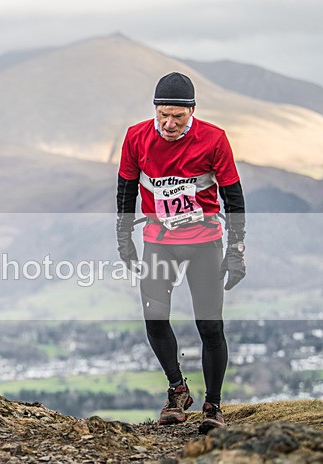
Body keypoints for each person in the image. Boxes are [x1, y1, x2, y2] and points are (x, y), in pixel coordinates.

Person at [115, 72, 246, 434]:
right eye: (163, 115)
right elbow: (125, 191)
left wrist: (236, 250)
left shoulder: (215, 139)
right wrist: (124, 240)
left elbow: (233, 198)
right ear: (155, 110)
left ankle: (213, 405)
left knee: (209, 325)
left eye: (178, 116)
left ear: (192, 112)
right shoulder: (135, 138)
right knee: (154, 320)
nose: (169, 124)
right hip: (159, 240)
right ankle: (177, 391)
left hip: (204, 242)